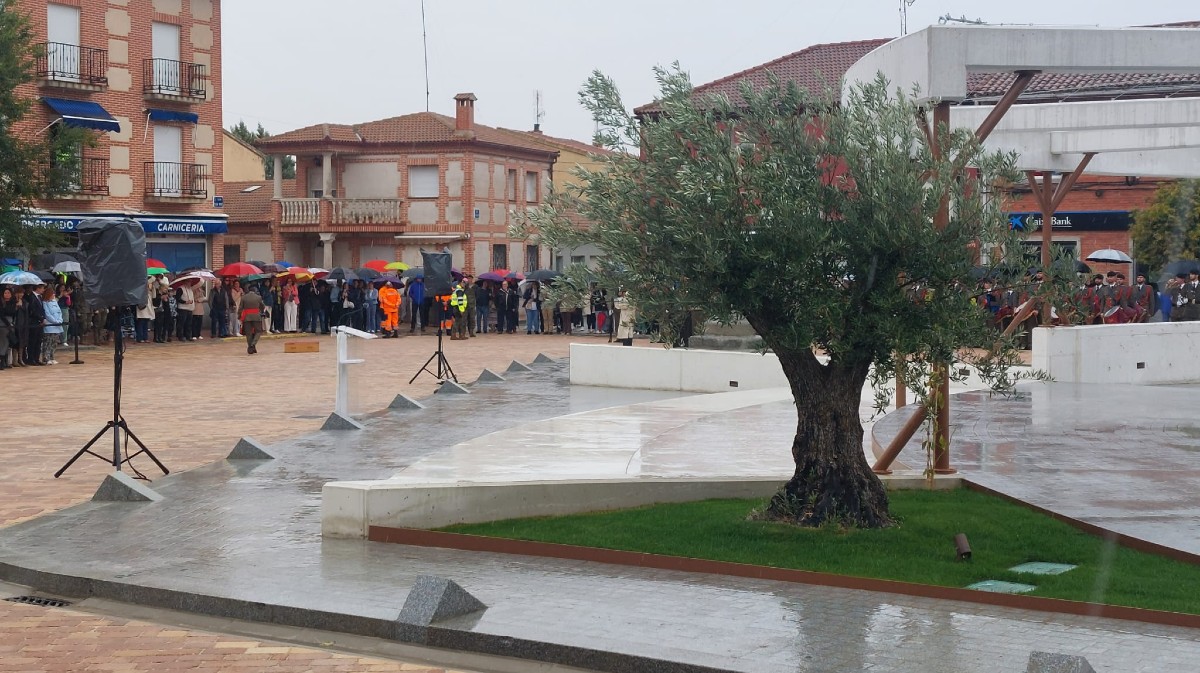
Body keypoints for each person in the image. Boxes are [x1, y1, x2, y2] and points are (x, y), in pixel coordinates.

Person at [238, 285, 264, 354]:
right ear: (255, 291)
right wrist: (262, 311)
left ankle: (250, 347)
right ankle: (253, 344)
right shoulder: (258, 297)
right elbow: (262, 306)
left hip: (247, 317)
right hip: (256, 317)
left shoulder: (244, 297)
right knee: (258, 331)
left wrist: (239, 316)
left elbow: (240, 308)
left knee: (248, 333)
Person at [41, 286, 63, 365]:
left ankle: (52, 356)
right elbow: (47, 314)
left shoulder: (54, 302)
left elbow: (59, 311)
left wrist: (60, 320)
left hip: (57, 325)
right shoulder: (45, 302)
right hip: (50, 325)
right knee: (48, 342)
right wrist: (54, 321)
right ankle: (46, 358)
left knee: (54, 342)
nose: (53, 295)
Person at [24, 283, 46, 365]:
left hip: (40, 322)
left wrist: (43, 317)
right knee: (32, 341)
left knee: (39, 341)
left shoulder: (39, 297)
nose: (43, 290)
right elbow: (32, 311)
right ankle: (31, 359)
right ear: (38, 288)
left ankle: (37, 358)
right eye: (42, 288)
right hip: (34, 322)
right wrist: (40, 317)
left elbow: (41, 309)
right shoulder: (31, 297)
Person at [0, 286, 16, 369]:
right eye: (5, 293)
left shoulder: (13, 302)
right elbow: (2, 314)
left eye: (9, 293)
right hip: (3, 324)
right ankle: (2, 362)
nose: (7, 294)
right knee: (3, 342)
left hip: (11, 323)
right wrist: (8, 324)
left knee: (8, 343)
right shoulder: (1, 302)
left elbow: (13, 312)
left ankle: (5, 361)